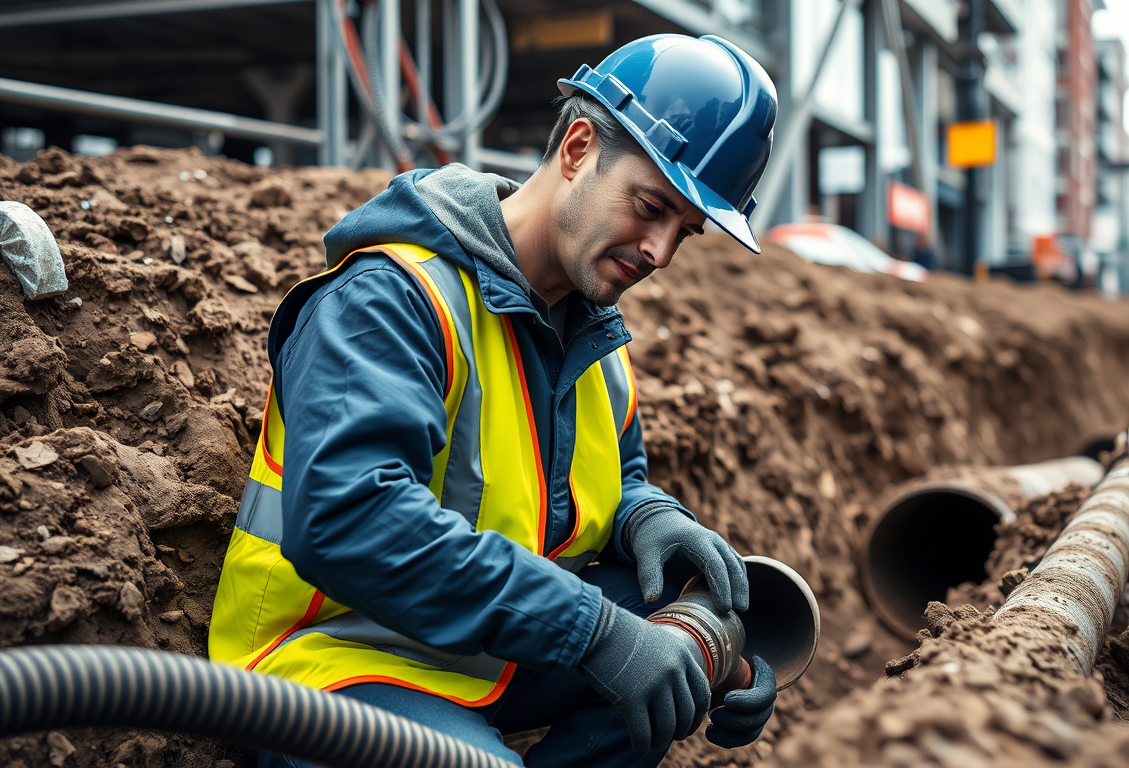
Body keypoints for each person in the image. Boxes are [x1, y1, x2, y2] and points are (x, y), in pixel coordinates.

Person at [208, 34, 779, 767]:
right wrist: (596, 634)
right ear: (577, 148)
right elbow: (350, 518)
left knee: (678, 623)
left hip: (481, 647)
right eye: (650, 206)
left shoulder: (594, 338)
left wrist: (651, 522)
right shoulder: (392, 297)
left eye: (685, 232)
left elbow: (599, 480)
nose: (661, 252)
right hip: (332, 662)